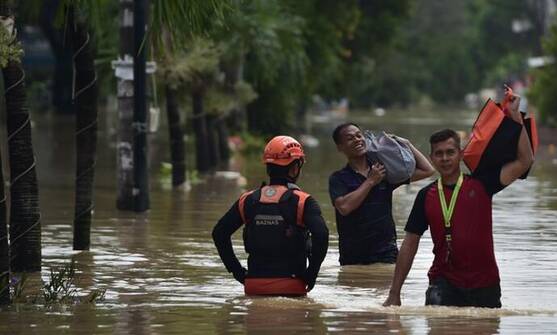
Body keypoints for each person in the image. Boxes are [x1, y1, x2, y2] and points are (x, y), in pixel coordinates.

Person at [383, 93, 533, 308]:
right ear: (432, 157)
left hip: (485, 283)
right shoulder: (426, 196)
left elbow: (525, 160)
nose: (445, 158)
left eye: (450, 152)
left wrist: (515, 116)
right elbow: (409, 244)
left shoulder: (484, 184)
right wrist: (394, 293)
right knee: (440, 333)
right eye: (439, 154)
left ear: (461, 154)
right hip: (443, 283)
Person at [213, 135, 328, 296]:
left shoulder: (247, 200)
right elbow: (321, 236)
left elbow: (219, 233)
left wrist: (237, 272)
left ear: (268, 167)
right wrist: (312, 274)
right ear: (295, 168)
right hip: (292, 287)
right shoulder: (303, 201)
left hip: (253, 286)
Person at [329, 123, 435, 265]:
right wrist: (371, 181)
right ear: (340, 147)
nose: (357, 140)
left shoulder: (385, 172)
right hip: (353, 255)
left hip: (386, 253)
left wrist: (407, 144)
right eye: (350, 138)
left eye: (359, 135)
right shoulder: (338, 178)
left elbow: (427, 170)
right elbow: (344, 207)